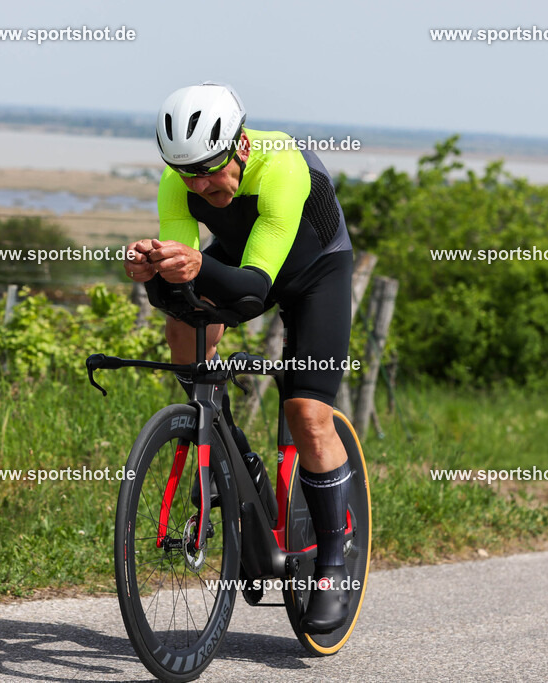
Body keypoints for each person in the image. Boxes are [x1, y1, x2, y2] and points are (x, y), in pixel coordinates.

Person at [125, 82, 354, 634]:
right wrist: (152, 274)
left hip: (314, 273)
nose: (200, 185)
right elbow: (180, 291)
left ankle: (330, 564)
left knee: (307, 414)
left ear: (241, 147)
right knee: (181, 322)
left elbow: (251, 291)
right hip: (241, 260)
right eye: (187, 173)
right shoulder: (176, 182)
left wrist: (195, 267)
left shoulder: (282, 167)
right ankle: (224, 440)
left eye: (209, 169)